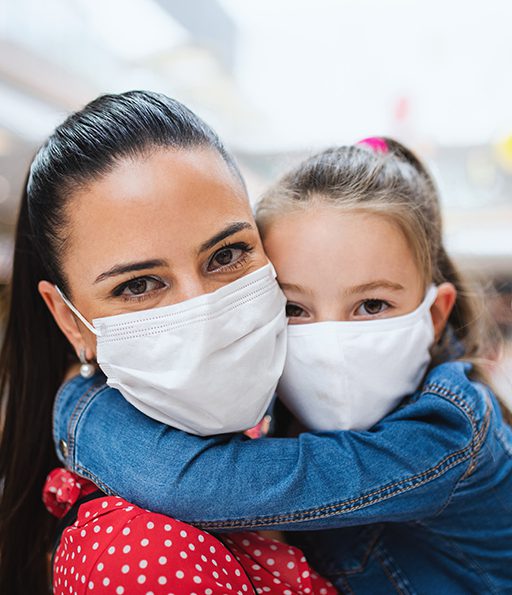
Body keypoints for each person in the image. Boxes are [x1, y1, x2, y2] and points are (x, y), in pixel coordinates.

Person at [49, 134, 512, 592]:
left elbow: (200, 485)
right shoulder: (260, 405)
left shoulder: (452, 431)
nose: (330, 343)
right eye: (294, 309)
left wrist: (81, 410)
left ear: (434, 313)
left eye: (372, 305)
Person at [0, 90, 337, 595]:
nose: (203, 310)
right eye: (138, 285)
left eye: (227, 254)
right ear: (70, 322)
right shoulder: (143, 559)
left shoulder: (298, 422)